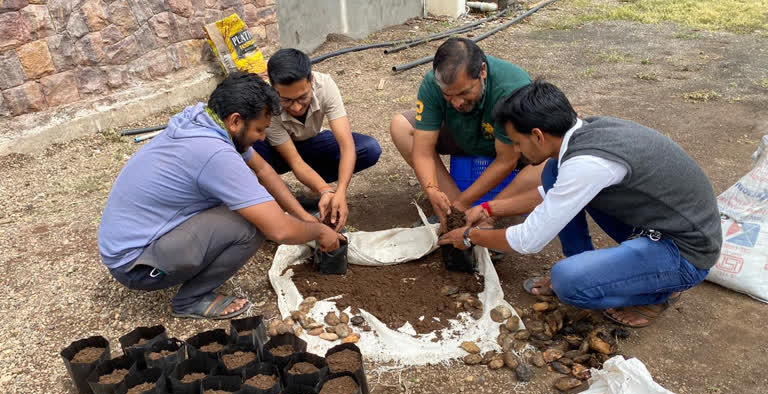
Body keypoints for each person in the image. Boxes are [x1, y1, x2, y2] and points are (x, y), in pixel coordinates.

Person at [439, 81, 722, 328]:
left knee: (568, 282)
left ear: (537, 135)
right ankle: (590, 265)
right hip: (660, 225)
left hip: (685, 252)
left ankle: (658, 295)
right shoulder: (585, 132)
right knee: (552, 172)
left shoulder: (587, 163)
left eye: (517, 142)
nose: (517, 151)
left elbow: (527, 241)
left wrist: (469, 236)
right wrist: (490, 209)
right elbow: (557, 193)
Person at [98, 72, 344, 320]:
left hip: (129, 245)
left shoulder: (204, 120)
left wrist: (303, 217)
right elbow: (278, 229)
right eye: (259, 129)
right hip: (134, 265)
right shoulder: (214, 154)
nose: (262, 138)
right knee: (252, 224)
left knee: (247, 206)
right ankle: (191, 299)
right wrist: (320, 232)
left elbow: (262, 169)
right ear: (236, 121)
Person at [390, 37, 538, 232]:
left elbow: (506, 160)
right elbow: (423, 151)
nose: (457, 103)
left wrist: (465, 200)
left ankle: (488, 214)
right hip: (465, 136)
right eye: (448, 96)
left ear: (482, 71)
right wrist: (431, 189)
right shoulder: (433, 84)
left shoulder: (511, 88)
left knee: (550, 157)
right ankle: (454, 211)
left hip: (512, 148)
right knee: (400, 126)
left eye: (464, 93)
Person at [253, 48, 382, 231]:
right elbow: (295, 161)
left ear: (311, 81)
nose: (297, 107)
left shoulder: (325, 85)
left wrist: (339, 192)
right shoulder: (268, 104)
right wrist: (325, 189)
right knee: (250, 153)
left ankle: (312, 188)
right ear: (274, 90)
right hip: (278, 152)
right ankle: (271, 197)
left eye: (302, 97)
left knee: (368, 148)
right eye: (287, 101)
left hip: (312, 142)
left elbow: (346, 146)